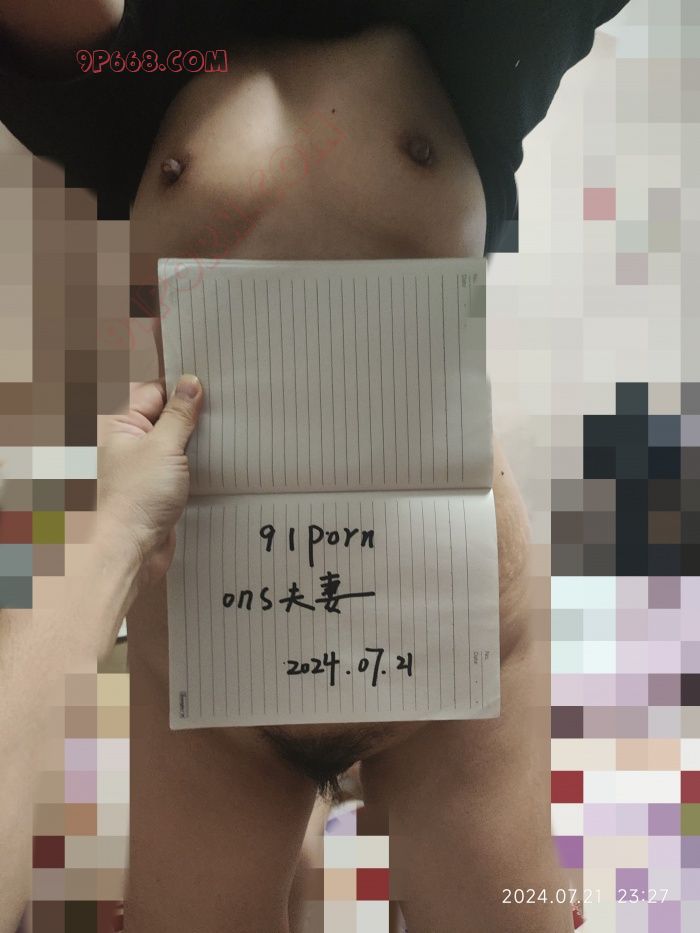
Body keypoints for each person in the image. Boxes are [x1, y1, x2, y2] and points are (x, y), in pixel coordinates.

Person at [0, 2, 629, 930]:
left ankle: (316, 842)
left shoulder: (470, 37)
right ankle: (303, 846)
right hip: (209, 649)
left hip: (448, 619)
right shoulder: (141, 64)